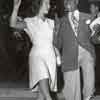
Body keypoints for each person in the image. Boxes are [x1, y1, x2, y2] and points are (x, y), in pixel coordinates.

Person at [10, 0, 61, 100]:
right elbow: (13, 24)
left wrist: (58, 54)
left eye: (49, 3)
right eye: (46, 3)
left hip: (50, 57)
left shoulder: (52, 22)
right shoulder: (30, 21)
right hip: (37, 56)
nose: (49, 6)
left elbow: (55, 42)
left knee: (41, 94)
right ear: (39, 5)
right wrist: (15, 8)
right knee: (43, 78)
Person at [54, 0, 95, 100]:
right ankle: (67, 95)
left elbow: (94, 38)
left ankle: (88, 96)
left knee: (89, 83)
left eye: (69, 0)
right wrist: (56, 30)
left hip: (86, 51)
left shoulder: (88, 16)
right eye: (64, 1)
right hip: (70, 54)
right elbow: (58, 43)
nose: (66, 3)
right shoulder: (62, 21)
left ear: (76, 1)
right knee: (72, 89)